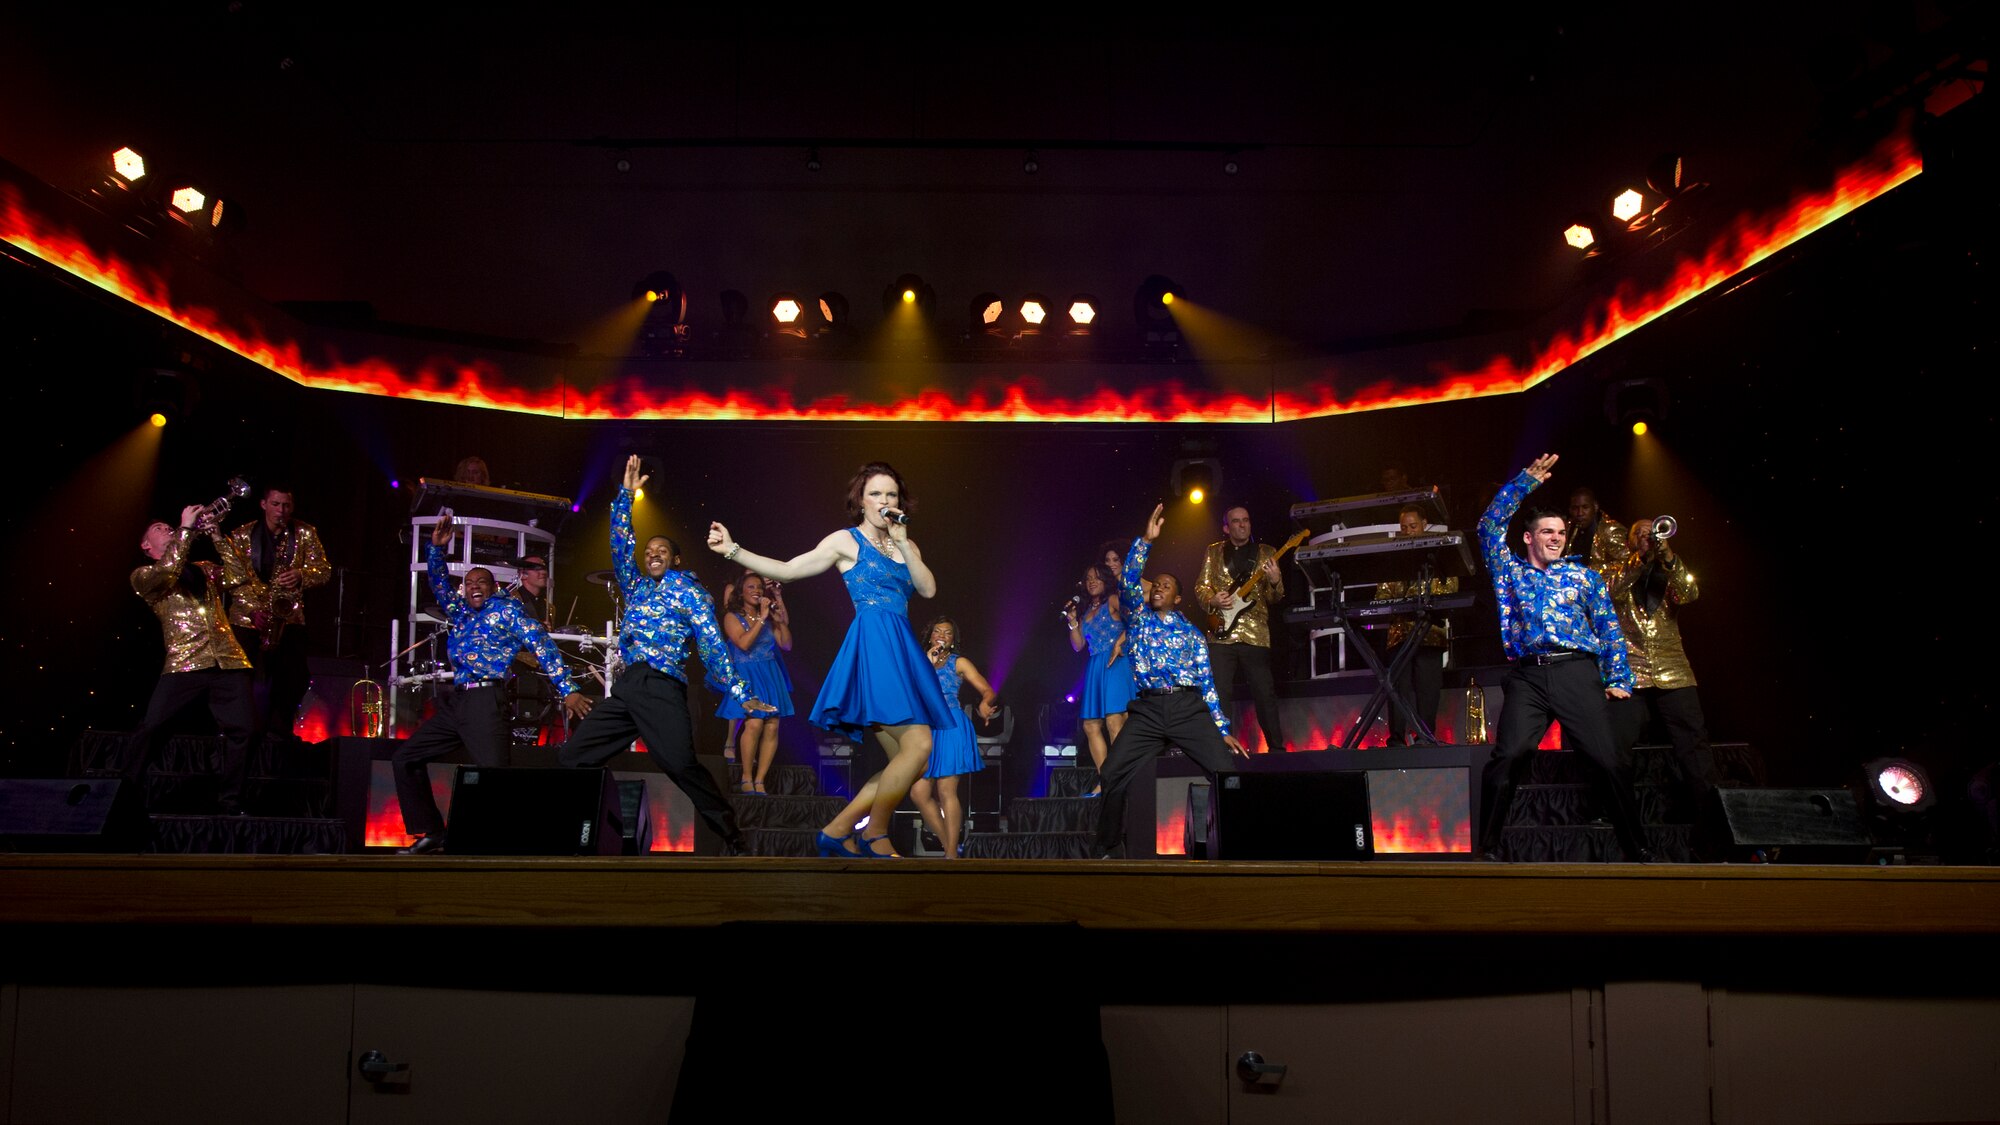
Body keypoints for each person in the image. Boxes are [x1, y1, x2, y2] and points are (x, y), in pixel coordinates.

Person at [706, 460, 955, 858]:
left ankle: (837, 830)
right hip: (874, 646)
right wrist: (733, 550)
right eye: (875, 493)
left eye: (891, 494)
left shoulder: (906, 545)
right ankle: (874, 833)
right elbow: (788, 570)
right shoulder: (845, 541)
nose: (884, 500)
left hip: (903, 648)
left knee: (910, 761)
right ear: (861, 500)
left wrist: (904, 542)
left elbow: (927, 590)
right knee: (919, 745)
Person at [559, 457, 770, 854]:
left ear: (675, 559)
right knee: (573, 756)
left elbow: (712, 645)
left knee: (680, 765)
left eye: (661, 550)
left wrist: (741, 692)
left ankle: (732, 835)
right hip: (629, 687)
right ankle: (595, 835)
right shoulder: (636, 586)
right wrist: (626, 496)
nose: (652, 554)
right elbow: (620, 545)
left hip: (662, 687)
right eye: (649, 550)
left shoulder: (690, 593)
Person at [1476, 454, 1653, 863]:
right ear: (1528, 538)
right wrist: (1523, 484)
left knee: (1608, 760)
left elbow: (1608, 627)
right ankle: (1488, 848)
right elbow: (1488, 528)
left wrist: (1618, 677)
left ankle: (1638, 849)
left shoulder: (1583, 576)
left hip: (1576, 672)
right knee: (1509, 756)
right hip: (1529, 678)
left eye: (1560, 532)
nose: (1556, 538)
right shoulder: (1510, 572)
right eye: (1547, 532)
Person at [393, 516, 591, 854]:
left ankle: (516, 845)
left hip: (486, 701)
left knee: (496, 778)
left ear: (493, 587)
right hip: (457, 703)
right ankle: (433, 831)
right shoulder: (459, 612)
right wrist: (436, 550)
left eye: (481, 582)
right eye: (469, 582)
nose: (474, 586)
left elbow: (542, 644)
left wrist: (567, 689)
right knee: (405, 758)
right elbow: (439, 585)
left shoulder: (508, 612)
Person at [1094, 503, 1250, 858]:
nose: (1157, 589)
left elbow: (1207, 682)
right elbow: (1128, 581)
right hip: (1148, 710)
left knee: (1227, 773)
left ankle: (1237, 843)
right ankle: (1109, 847)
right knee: (1112, 772)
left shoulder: (1192, 634)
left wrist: (1221, 728)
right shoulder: (1138, 619)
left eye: (1166, 586)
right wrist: (1146, 541)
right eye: (1155, 586)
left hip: (1186, 707)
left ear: (1177, 598)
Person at [124, 504, 258, 815]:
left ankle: (230, 802)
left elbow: (240, 577)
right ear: (145, 546)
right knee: (152, 728)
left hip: (227, 660)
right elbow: (167, 572)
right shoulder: (143, 575)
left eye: (169, 527)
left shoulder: (203, 568)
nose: (167, 529)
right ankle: (124, 793)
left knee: (246, 729)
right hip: (185, 661)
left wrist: (217, 536)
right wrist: (184, 529)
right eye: (159, 529)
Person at [1606, 517, 1723, 858]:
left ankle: (1711, 831)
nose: (1647, 537)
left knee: (1695, 749)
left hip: (1674, 671)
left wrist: (1668, 556)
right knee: (1616, 748)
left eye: (1652, 532)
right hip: (1630, 672)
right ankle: (1623, 830)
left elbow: (1689, 593)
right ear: (1629, 542)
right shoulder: (1616, 570)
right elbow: (1611, 591)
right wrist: (1639, 559)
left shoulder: (1669, 569)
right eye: (1640, 533)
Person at [225, 484, 331, 745]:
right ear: (263, 505)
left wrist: (302, 575)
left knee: (293, 677)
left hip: (288, 617)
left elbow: (324, 570)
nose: (281, 511)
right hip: (247, 617)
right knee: (239, 679)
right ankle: (239, 729)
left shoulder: (304, 532)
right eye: (275, 504)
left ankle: (279, 730)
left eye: (286, 505)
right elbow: (234, 581)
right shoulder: (241, 535)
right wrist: (253, 611)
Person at [1194, 506, 1286, 752]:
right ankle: (1221, 749)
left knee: (1264, 693)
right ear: (1226, 527)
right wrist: (1213, 600)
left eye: (1246, 520)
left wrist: (1275, 581)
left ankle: (1277, 751)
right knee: (1219, 692)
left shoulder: (1266, 552)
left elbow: (1274, 597)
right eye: (1236, 521)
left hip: (1255, 633)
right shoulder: (1213, 551)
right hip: (1221, 632)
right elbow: (1201, 587)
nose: (1242, 525)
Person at [910, 616, 999, 858]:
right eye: (937, 631)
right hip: (926, 728)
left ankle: (950, 853)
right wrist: (927, 664)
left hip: (950, 725)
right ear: (930, 636)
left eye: (947, 632)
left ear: (952, 640)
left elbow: (987, 690)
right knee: (918, 793)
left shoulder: (959, 662)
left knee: (946, 790)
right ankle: (950, 847)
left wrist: (984, 703)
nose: (941, 635)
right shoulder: (919, 661)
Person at [1375, 504, 1459, 746]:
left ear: (1424, 524)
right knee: (1397, 687)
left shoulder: (1440, 554)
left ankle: (1425, 736)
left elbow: (1450, 589)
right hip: (1399, 634)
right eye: (1404, 528)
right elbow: (1382, 594)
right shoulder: (1394, 558)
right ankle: (1397, 738)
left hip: (1429, 633)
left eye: (1413, 526)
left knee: (1427, 688)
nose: (1409, 531)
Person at [717, 571, 794, 794]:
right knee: (754, 724)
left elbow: (786, 645)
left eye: (759, 587)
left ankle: (760, 780)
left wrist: (778, 620)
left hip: (770, 674)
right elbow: (743, 643)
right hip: (746, 675)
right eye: (751, 587)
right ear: (741, 592)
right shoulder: (732, 617)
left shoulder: (768, 618)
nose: (757, 591)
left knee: (772, 725)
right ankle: (746, 777)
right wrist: (762, 618)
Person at [1066, 563, 1131, 796]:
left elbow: (1136, 622)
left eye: (1096, 577)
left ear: (1106, 580)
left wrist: (1120, 642)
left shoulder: (1113, 600)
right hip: (1095, 666)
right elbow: (1078, 646)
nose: (1091, 581)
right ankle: (1106, 779)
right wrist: (1073, 622)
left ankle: (1120, 780)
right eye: (1088, 578)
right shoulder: (1085, 611)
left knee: (1115, 722)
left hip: (1116, 663)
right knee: (1090, 725)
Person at [505, 554, 557, 743]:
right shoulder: (511, 601)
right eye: (536, 568)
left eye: (544, 568)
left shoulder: (549, 608)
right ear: (523, 574)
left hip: (540, 673)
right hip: (515, 670)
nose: (542, 572)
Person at [1567, 486, 1628, 577]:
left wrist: (1588, 571)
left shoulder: (1610, 530)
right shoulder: (1568, 527)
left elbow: (1627, 563)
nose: (1580, 513)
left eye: (1585, 507)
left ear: (1595, 507)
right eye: (1575, 508)